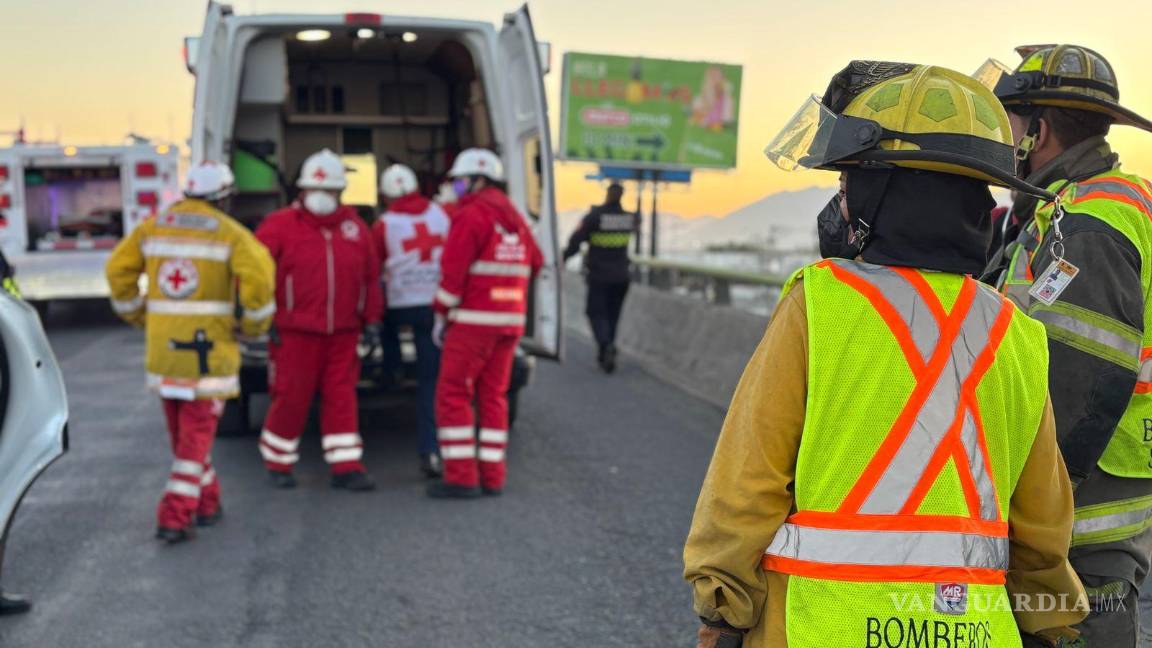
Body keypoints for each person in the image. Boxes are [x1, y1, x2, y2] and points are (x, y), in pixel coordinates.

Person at [684, 62, 1087, 648]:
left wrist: (721, 607)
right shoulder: (1015, 332)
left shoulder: (820, 303)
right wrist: (1047, 624)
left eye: (847, 185)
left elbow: (747, 482)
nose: (841, 202)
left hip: (818, 625)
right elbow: (1043, 524)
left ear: (882, 189)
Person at [982, 44, 1152, 646]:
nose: (1001, 140)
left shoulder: (1089, 220)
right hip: (1081, 515)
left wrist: (1033, 512)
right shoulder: (1064, 208)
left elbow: (1079, 381)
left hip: (1081, 523)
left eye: (1011, 124)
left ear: (1040, 130)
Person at [106, 161, 276, 543]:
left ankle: (208, 502)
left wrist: (138, 315)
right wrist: (252, 327)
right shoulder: (231, 234)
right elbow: (260, 282)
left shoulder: (154, 227)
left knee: (185, 436)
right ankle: (174, 514)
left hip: (165, 352)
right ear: (224, 197)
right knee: (196, 437)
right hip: (208, 355)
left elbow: (118, 271)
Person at [255, 149, 382, 491]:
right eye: (316, 189)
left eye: (330, 191)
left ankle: (346, 466)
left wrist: (371, 321)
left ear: (341, 193)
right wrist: (262, 319)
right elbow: (255, 276)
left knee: (341, 397)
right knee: (290, 396)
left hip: (343, 332)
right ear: (302, 190)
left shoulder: (355, 229)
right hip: (295, 331)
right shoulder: (279, 226)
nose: (323, 197)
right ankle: (278, 462)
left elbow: (370, 278)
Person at [428, 148, 542, 499]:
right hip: (509, 326)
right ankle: (492, 477)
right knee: (493, 397)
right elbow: (536, 262)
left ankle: (461, 477)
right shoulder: (515, 218)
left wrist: (440, 313)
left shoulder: (471, 215)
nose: (457, 188)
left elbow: (453, 272)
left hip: (473, 324)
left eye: (460, 181)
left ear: (477, 180)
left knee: (453, 394)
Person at [372, 163, 450, 478]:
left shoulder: (384, 224)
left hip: (400, 304)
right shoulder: (441, 214)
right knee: (430, 382)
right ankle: (430, 450)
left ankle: (392, 370)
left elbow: (372, 268)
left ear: (386, 194)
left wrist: (371, 317)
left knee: (387, 326)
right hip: (433, 306)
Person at [562, 182, 637, 372]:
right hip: (622, 276)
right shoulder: (630, 218)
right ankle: (608, 346)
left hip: (599, 276)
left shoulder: (595, 216)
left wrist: (562, 258)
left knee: (595, 312)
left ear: (608, 194)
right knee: (613, 315)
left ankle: (605, 344)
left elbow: (575, 241)